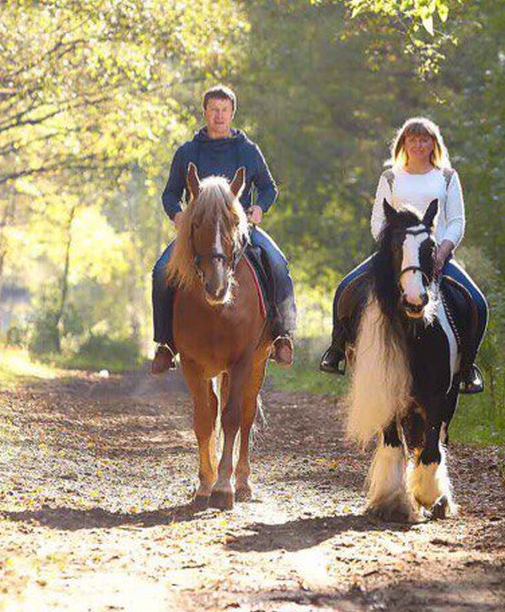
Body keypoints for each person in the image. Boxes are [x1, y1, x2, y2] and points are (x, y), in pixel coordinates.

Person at [320, 117, 488, 393]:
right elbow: (378, 219)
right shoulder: (390, 177)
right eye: (413, 139)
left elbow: (456, 220)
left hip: (435, 256)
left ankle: (467, 368)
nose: (419, 145)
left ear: (433, 143)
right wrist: (391, 251)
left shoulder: (446, 177)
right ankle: (337, 349)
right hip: (395, 256)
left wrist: (443, 251)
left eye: (425, 139)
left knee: (478, 303)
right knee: (345, 288)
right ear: (404, 143)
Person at [150, 85, 297, 374]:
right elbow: (170, 194)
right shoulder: (187, 152)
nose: (218, 116)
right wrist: (177, 214)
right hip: (198, 233)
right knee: (160, 272)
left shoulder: (248, 150)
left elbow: (269, 188)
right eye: (213, 110)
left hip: (237, 229)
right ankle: (166, 343)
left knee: (279, 264)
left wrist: (259, 208)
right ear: (205, 112)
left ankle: (281, 334)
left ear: (232, 113)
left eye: (224, 110)